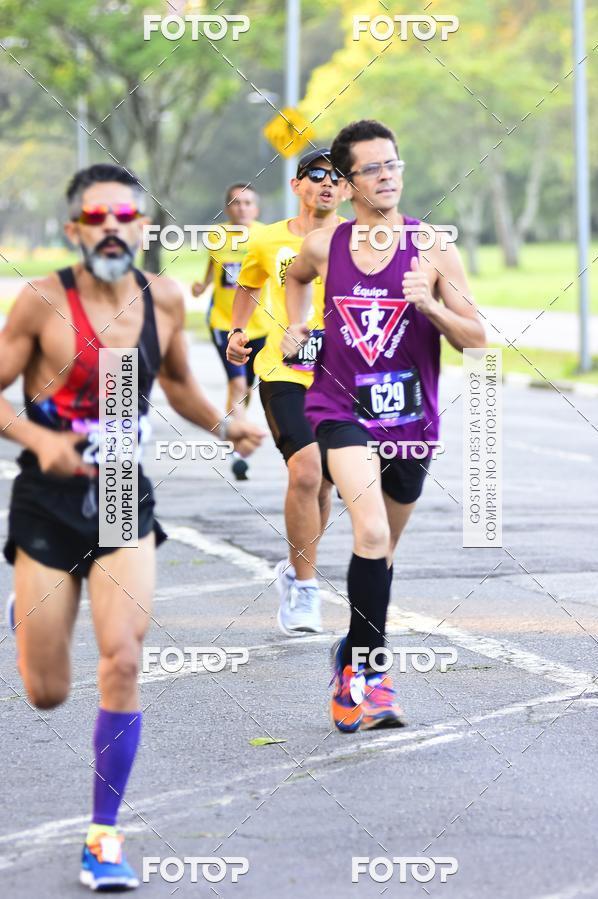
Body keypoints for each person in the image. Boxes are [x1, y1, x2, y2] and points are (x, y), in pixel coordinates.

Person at [1, 163, 263, 890]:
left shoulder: (166, 299)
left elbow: (177, 382)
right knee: (47, 689)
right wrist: (41, 440)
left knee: (121, 658)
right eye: (96, 217)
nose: (111, 228)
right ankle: (31, 609)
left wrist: (224, 425)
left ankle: (104, 835)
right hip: (48, 500)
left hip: (123, 493)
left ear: (145, 227)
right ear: (74, 229)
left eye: (125, 216)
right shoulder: (40, 303)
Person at [282, 120, 486, 731]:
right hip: (340, 409)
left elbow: (478, 340)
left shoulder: (433, 248)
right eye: (372, 169)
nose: (387, 176)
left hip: (411, 420)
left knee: (384, 550)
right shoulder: (326, 246)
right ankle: (369, 676)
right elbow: (294, 277)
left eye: (392, 164)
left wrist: (428, 303)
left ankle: (351, 652)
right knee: (369, 533)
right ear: (347, 184)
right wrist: (296, 325)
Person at [226, 148, 346, 636]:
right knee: (307, 469)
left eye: (337, 177)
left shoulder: (356, 239)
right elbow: (249, 286)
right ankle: (305, 587)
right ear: (297, 185)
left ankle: (298, 569)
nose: (327, 183)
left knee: (322, 485)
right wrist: (238, 333)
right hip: (284, 369)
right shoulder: (267, 239)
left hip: (340, 376)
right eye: (316, 175)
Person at [192, 183, 270, 480]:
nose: (242, 208)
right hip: (225, 324)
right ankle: (238, 452)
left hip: (261, 325)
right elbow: (214, 270)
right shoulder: (216, 236)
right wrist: (202, 286)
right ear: (227, 208)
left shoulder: (267, 236)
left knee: (246, 388)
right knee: (237, 385)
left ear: (256, 208)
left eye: (248, 202)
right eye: (236, 203)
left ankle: (237, 426)